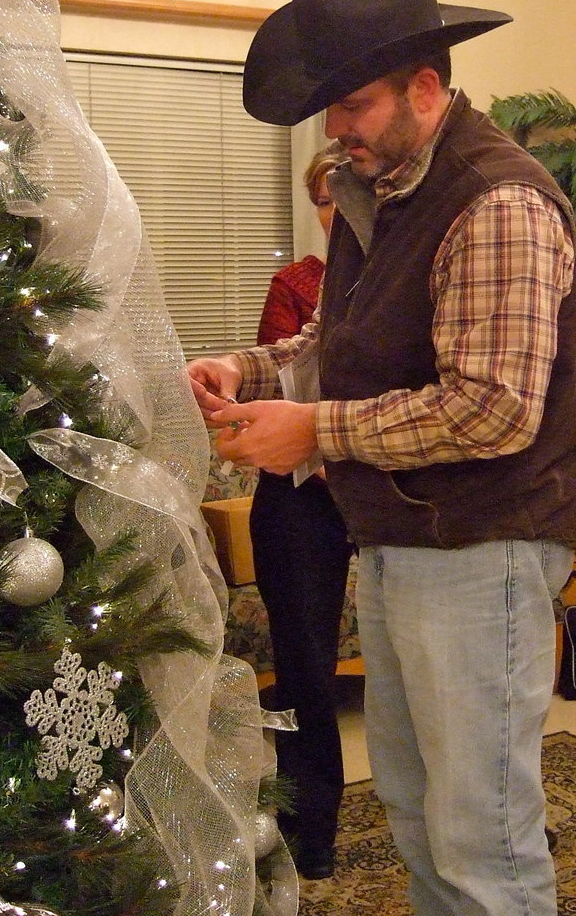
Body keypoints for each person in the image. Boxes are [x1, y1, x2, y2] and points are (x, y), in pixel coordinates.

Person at [188, 0, 576, 916]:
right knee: (418, 815)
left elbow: (492, 407)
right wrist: (243, 370)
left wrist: (314, 434)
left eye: (354, 106)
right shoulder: (382, 188)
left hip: (484, 547)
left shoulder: (496, 199)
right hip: (401, 537)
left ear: (426, 87)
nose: (337, 132)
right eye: (329, 110)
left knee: (482, 840)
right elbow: (344, 339)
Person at [251, 144, 352, 881]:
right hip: (301, 497)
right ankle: (307, 824)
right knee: (304, 666)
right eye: (322, 197)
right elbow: (281, 374)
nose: (335, 210)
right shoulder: (297, 284)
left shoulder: (400, 274)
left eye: (345, 193)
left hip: (384, 490)